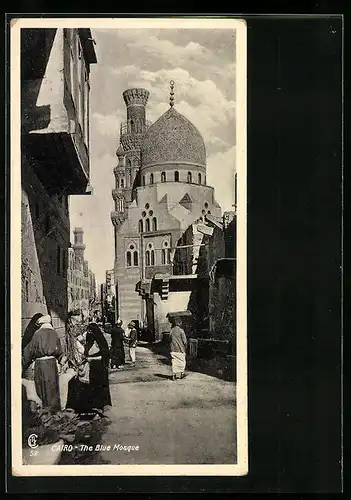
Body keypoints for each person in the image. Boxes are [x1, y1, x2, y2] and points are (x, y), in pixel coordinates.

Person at [22, 314, 65, 411]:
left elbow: (30, 350)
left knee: (43, 386)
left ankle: (45, 410)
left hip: (41, 364)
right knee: (53, 386)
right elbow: (59, 351)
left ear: (40, 324)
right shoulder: (54, 333)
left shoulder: (37, 334)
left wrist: (23, 363)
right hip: (52, 363)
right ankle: (54, 409)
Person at [84, 322, 112, 410]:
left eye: (90, 331)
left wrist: (92, 358)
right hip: (92, 366)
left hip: (100, 366)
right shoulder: (90, 340)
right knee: (92, 386)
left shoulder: (100, 340)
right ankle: (94, 405)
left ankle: (103, 404)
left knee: (101, 386)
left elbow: (105, 354)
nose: (88, 333)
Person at [168, 316, 187, 380]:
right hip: (181, 349)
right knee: (182, 361)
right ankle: (182, 373)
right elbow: (185, 341)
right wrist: (185, 347)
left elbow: (169, 339)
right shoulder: (181, 331)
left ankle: (174, 375)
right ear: (179, 323)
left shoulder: (171, 330)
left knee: (174, 362)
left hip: (173, 349)